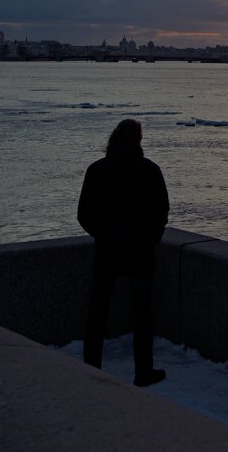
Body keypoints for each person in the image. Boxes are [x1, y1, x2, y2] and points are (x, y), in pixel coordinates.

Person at [78, 118, 170, 387]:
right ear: (139, 140)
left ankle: (90, 368)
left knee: (97, 313)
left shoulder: (96, 170)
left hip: (107, 252)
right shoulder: (150, 171)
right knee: (142, 314)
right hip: (140, 253)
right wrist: (151, 240)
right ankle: (143, 371)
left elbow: (83, 214)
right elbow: (162, 212)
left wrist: (104, 235)